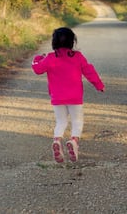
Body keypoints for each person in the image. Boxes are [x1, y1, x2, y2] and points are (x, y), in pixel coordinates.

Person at [31, 27, 104, 163]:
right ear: (72, 41)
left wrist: (37, 58)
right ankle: (74, 141)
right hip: (75, 97)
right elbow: (89, 71)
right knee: (77, 121)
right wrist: (98, 85)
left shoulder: (50, 58)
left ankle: (57, 140)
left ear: (54, 42)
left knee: (61, 121)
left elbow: (37, 69)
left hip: (57, 97)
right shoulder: (78, 57)